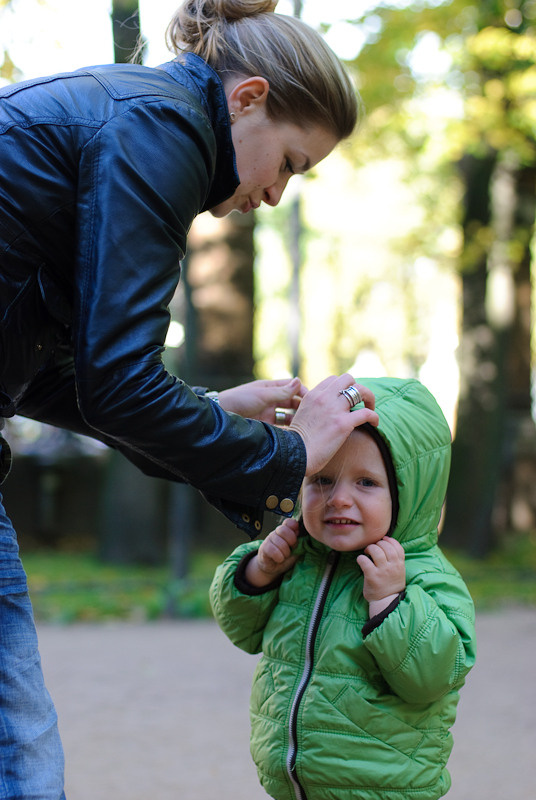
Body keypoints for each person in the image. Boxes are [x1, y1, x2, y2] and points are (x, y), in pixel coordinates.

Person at [0, 1, 378, 797]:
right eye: (291, 163)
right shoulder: (161, 130)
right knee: (19, 749)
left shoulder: (131, 114)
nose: (276, 193)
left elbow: (44, 376)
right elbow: (119, 388)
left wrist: (213, 406)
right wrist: (291, 453)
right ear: (247, 99)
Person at [210, 376, 477, 800]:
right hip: (292, 783)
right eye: (321, 480)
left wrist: (390, 601)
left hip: (386, 789)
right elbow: (243, 631)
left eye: (366, 483)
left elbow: (434, 677)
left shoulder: (423, 575)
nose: (338, 499)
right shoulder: (297, 552)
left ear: (410, 493)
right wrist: (258, 572)